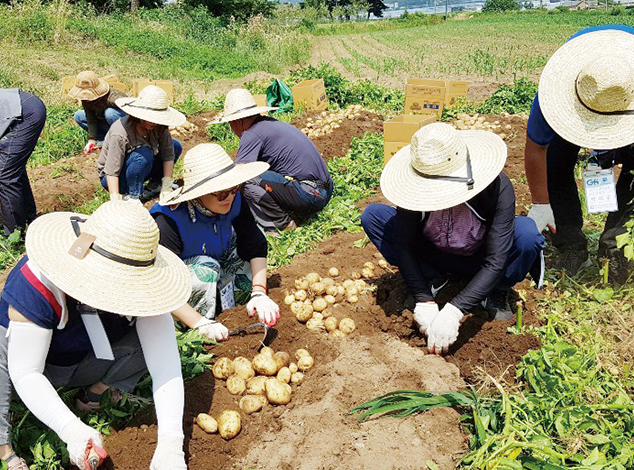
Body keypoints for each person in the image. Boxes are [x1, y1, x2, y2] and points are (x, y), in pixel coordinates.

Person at [0, 201, 193, 470]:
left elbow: (165, 366)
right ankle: (2, 443)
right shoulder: (37, 282)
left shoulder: (143, 284)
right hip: (27, 365)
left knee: (148, 341)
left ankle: (94, 395)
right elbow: (25, 372)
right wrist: (71, 431)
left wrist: (171, 446)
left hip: (83, 358)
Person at [361, 123, 545, 355]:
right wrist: (422, 298)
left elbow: (497, 258)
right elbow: (404, 243)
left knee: (527, 234)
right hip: (435, 256)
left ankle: (495, 291)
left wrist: (454, 311)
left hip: (482, 260)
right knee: (374, 216)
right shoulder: (414, 191)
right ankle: (432, 280)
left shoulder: (497, 188)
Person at [524, 25, 634, 282]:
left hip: (625, 95)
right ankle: (570, 244)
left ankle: (615, 249)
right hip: (579, 98)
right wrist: (541, 204)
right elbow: (536, 148)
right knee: (555, 164)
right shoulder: (553, 98)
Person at [151, 143, 280, 341]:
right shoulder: (169, 221)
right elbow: (158, 282)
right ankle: (195, 328)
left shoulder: (234, 200)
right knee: (205, 269)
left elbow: (253, 241)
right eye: (220, 193)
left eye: (234, 188)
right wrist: (199, 323)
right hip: (173, 294)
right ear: (197, 192)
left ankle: (231, 303)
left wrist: (259, 292)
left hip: (219, 260)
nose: (228, 197)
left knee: (247, 242)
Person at [214, 88, 333, 233]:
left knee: (247, 179)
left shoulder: (251, 134)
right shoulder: (271, 125)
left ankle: (283, 225)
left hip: (311, 195)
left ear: (238, 121)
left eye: (230, 124)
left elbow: (239, 174)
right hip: (324, 190)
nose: (232, 129)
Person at [97, 85, 184, 202]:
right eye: (151, 118)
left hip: (138, 169)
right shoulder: (120, 132)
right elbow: (112, 170)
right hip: (114, 177)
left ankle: (154, 186)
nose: (154, 122)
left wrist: (167, 186)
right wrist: (115, 199)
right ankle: (133, 196)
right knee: (143, 154)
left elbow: (168, 154)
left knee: (175, 146)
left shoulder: (160, 127)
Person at [0, 89, 46, 237]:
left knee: (5, 175)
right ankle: (29, 217)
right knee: (12, 167)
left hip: (25, 113)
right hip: (22, 107)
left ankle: (14, 234)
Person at [68, 71, 127, 154]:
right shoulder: (86, 100)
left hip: (121, 124)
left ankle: (121, 139)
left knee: (110, 113)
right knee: (78, 115)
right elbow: (91, 119)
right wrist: (91, 140)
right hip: (105, 125)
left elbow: (131, 112)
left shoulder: (113, 98)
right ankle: (103, 139)